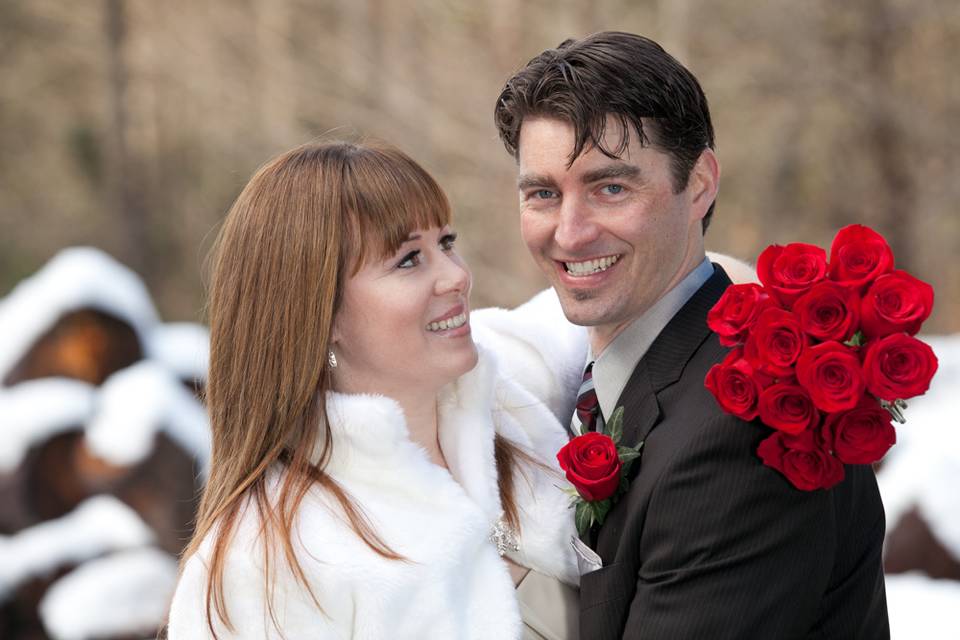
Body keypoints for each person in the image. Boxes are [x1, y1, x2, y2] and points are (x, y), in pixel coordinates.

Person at [494, 32, 889, 639]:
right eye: (544, 194)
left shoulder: (744, 427)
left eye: (610, 187)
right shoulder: (612, 379)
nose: (569, 234)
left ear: (700, 182)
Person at [166, 141, 583, 639]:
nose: (456, 276)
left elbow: (656, 297)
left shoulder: (511, 403)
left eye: (446, 243)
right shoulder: (261, 560)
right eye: (409, 260)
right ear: (319, 315)